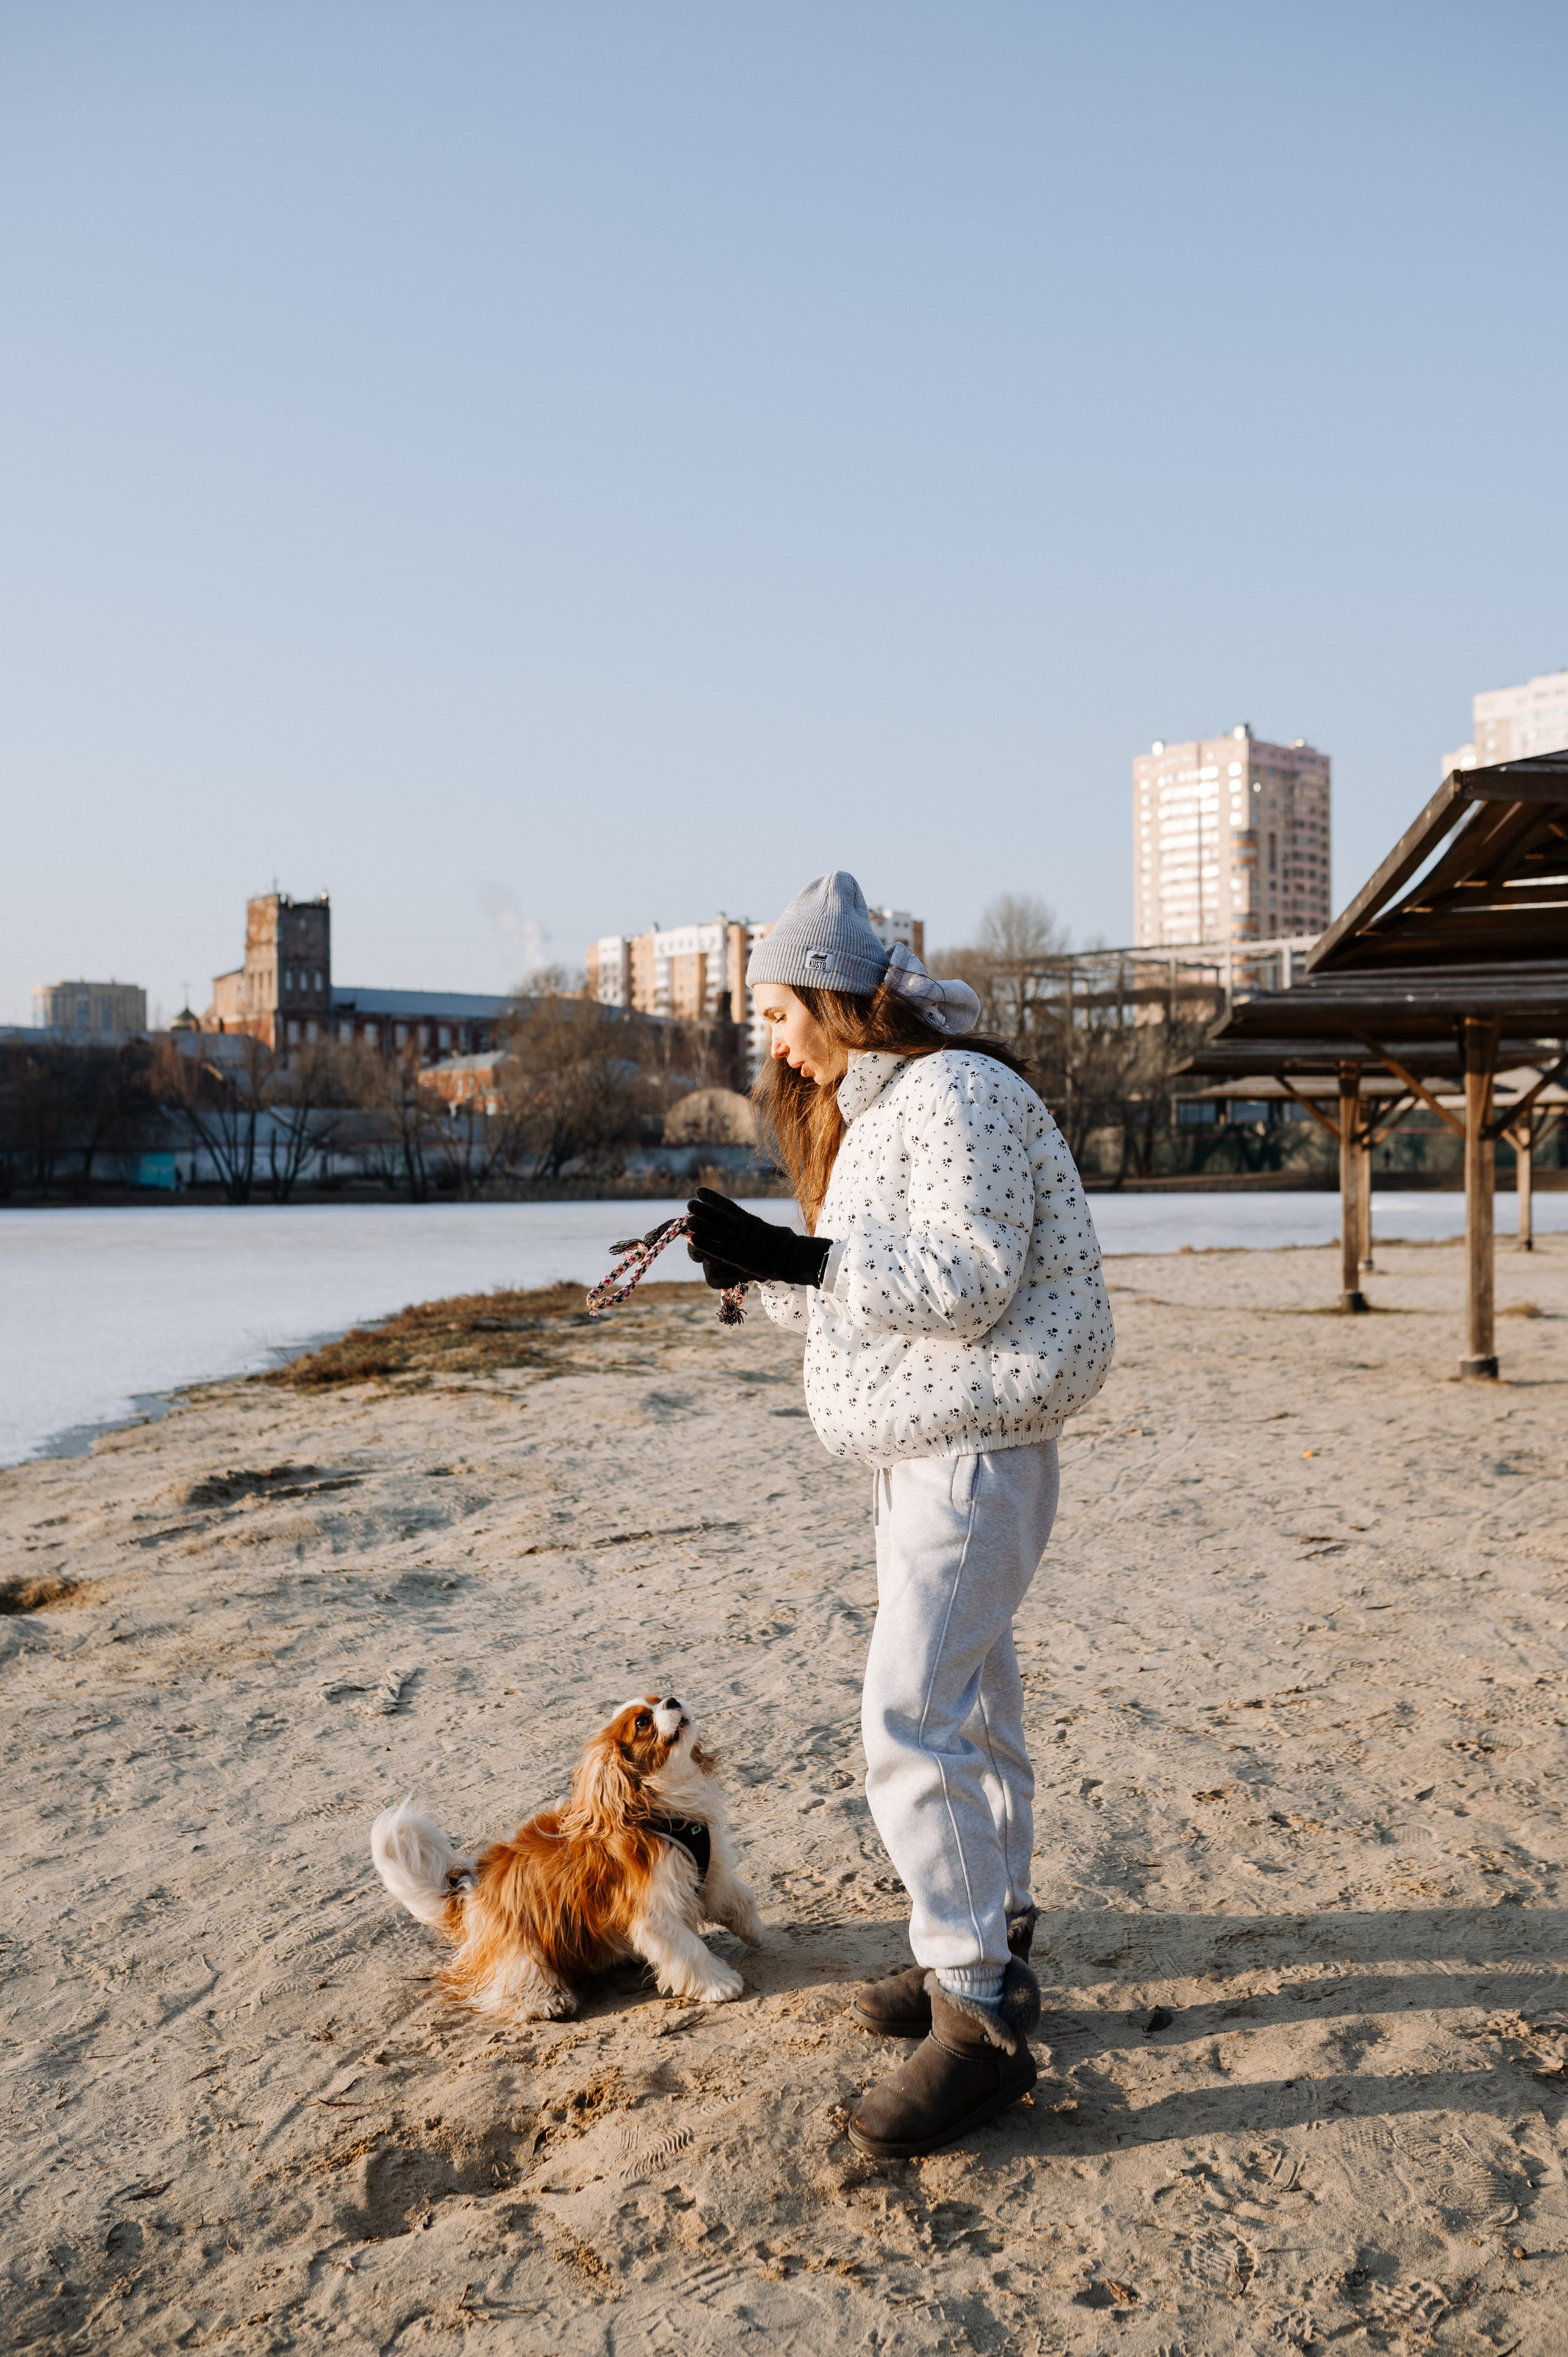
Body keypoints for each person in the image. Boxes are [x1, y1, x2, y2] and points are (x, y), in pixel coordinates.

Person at [684, 871, 1114, 2160]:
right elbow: (874, 1290)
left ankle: (974, 2016)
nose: (765, 1039)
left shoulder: (960, 1093)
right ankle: (991, 1944)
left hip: (973, 1448)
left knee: (910, 1713)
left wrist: (795, 1254)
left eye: (772, 1009)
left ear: (829, 993)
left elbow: (972, 1279)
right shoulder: (880, 1111)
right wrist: (754, 1276)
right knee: (970, 1702)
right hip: (928, 1446)